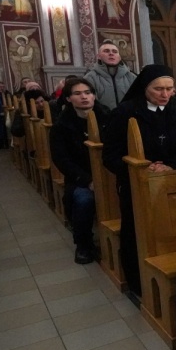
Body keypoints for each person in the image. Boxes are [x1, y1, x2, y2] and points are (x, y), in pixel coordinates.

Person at [103, 65, 176, 297]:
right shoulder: (125, 112)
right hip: (136, 181)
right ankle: (138, 282)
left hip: (174, 179)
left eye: (169, 89)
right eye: (158, 89)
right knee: (137, 228)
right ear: (145, 88)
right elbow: (111, 153)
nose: (165, 95)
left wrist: (171, 165)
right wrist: (141, 166)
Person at [50, 78, 110, 264]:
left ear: (94, 95)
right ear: (68, 98)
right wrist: (87, 181)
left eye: (87, 93)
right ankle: (83, 244)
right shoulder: (61, 126)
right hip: (81, 177)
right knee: (84, 201)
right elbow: (62, 160)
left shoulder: (108, 116)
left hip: (110, 173)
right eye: (77, 94)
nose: (84, 97)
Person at [83, 42, 137, 110]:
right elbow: (90, 103)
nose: (111, 53)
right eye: (106, 51)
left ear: (119, 57)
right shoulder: (89, 78)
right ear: (98, 56)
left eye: (115, 51)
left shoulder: (132, 77)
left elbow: (138, 100)